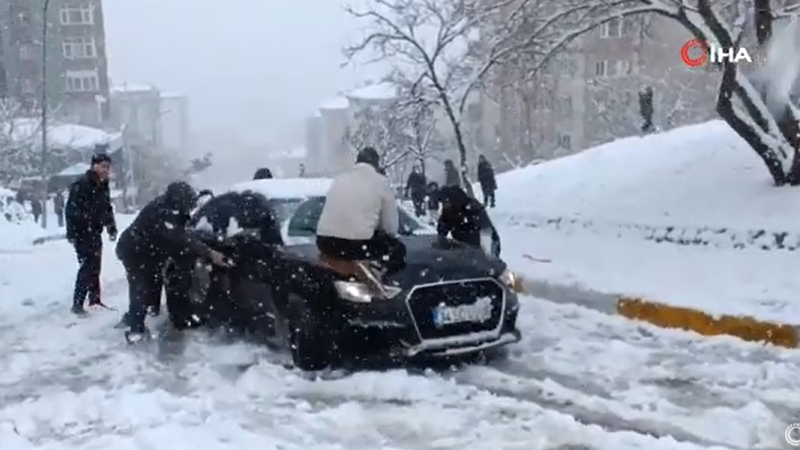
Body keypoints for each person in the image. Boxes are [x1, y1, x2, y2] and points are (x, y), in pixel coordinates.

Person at [115, 181, 233, 343]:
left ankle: (138, 313)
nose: (189, 207)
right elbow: (181, 236)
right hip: (133, 252)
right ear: (178, 200)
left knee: (152, 282)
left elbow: (182, 229)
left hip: (150, 252)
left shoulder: (170, 206)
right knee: (139, 287)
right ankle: (136, 330)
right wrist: (210, 253)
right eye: (187, 203)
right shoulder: (161, 212)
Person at [316, 147, 405, 274]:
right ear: (376, 164)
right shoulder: (381, 182)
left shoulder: (339, 179)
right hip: (354, 245)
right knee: (398, 249)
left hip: (324, 242)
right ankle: (382, 284)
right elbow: (390, 227)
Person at [65, 153, 117, 315]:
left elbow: (106, 208)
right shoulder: (82, 184)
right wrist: (73, 232)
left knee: (95, 266)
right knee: (87, 266)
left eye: (107, 167)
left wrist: (111, 227)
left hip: (95, 231)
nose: (105, 170)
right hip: (82, 232)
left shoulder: (103, 185)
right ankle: (77, 304)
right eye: (102, 166)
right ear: (94, 166)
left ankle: (95, 299)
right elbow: (71, 210)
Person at [436, 185, 501, 257]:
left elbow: (486, 232)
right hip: (463, 250)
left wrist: (488, 256)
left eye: (446, 202)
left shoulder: (473, 208)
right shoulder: (447, 212)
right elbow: (441, 234)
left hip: (482, 248)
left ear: (453, 200)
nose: (444, 205)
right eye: (443, 203)